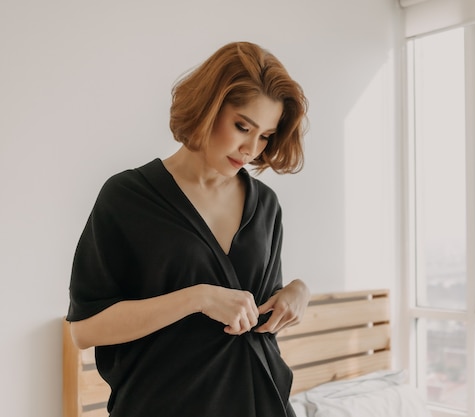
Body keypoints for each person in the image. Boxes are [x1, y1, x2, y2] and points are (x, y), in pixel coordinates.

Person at [66, 41, 311, 417]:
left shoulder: (265, 204)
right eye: (242, 126)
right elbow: (85, 329)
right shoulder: (127, 197)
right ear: (209, 107)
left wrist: (296, 291)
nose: (251, 149)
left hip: (260, 402)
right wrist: (196, 298)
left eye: (264, 136)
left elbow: (257, 306)